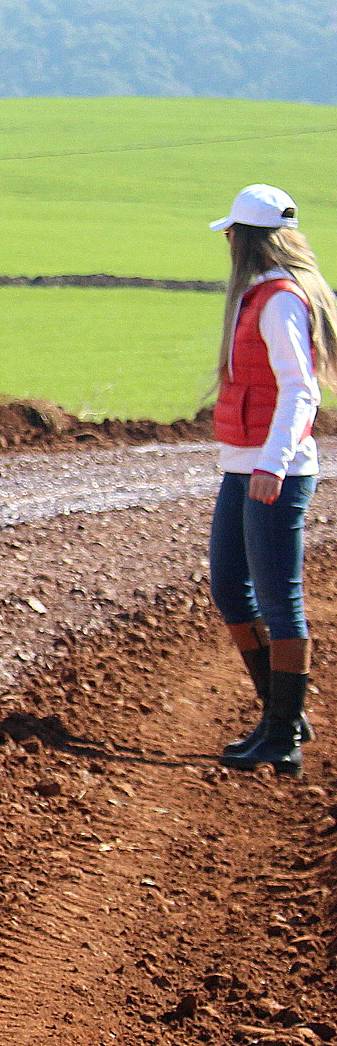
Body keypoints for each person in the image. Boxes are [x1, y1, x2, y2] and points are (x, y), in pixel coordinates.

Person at [208, 184, 337, 775]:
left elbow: (300, 389)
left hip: (272, 469)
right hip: (245, 465)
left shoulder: (280, 300)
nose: (227, 241)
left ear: (244, 237)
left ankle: (283, 738)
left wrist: (274, 463)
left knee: (280, 602)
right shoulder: (257, 296)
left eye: (231, 231)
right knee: (231, 589)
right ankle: (278, 716)